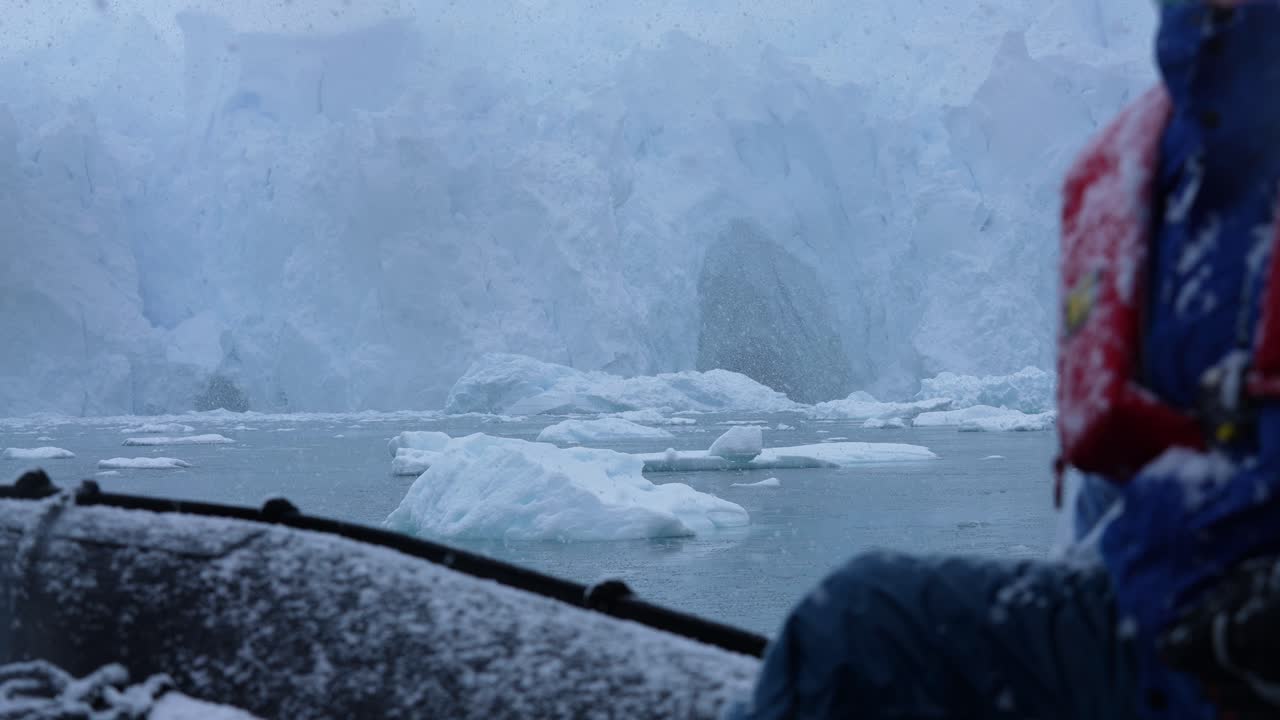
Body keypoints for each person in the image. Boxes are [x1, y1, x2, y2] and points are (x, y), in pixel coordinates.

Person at [725, 1, 1280, 718]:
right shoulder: (1169, 166)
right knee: (858, 631)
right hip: (1159, 624)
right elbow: (1116, 487)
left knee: (856, 633)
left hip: (1226, 660)